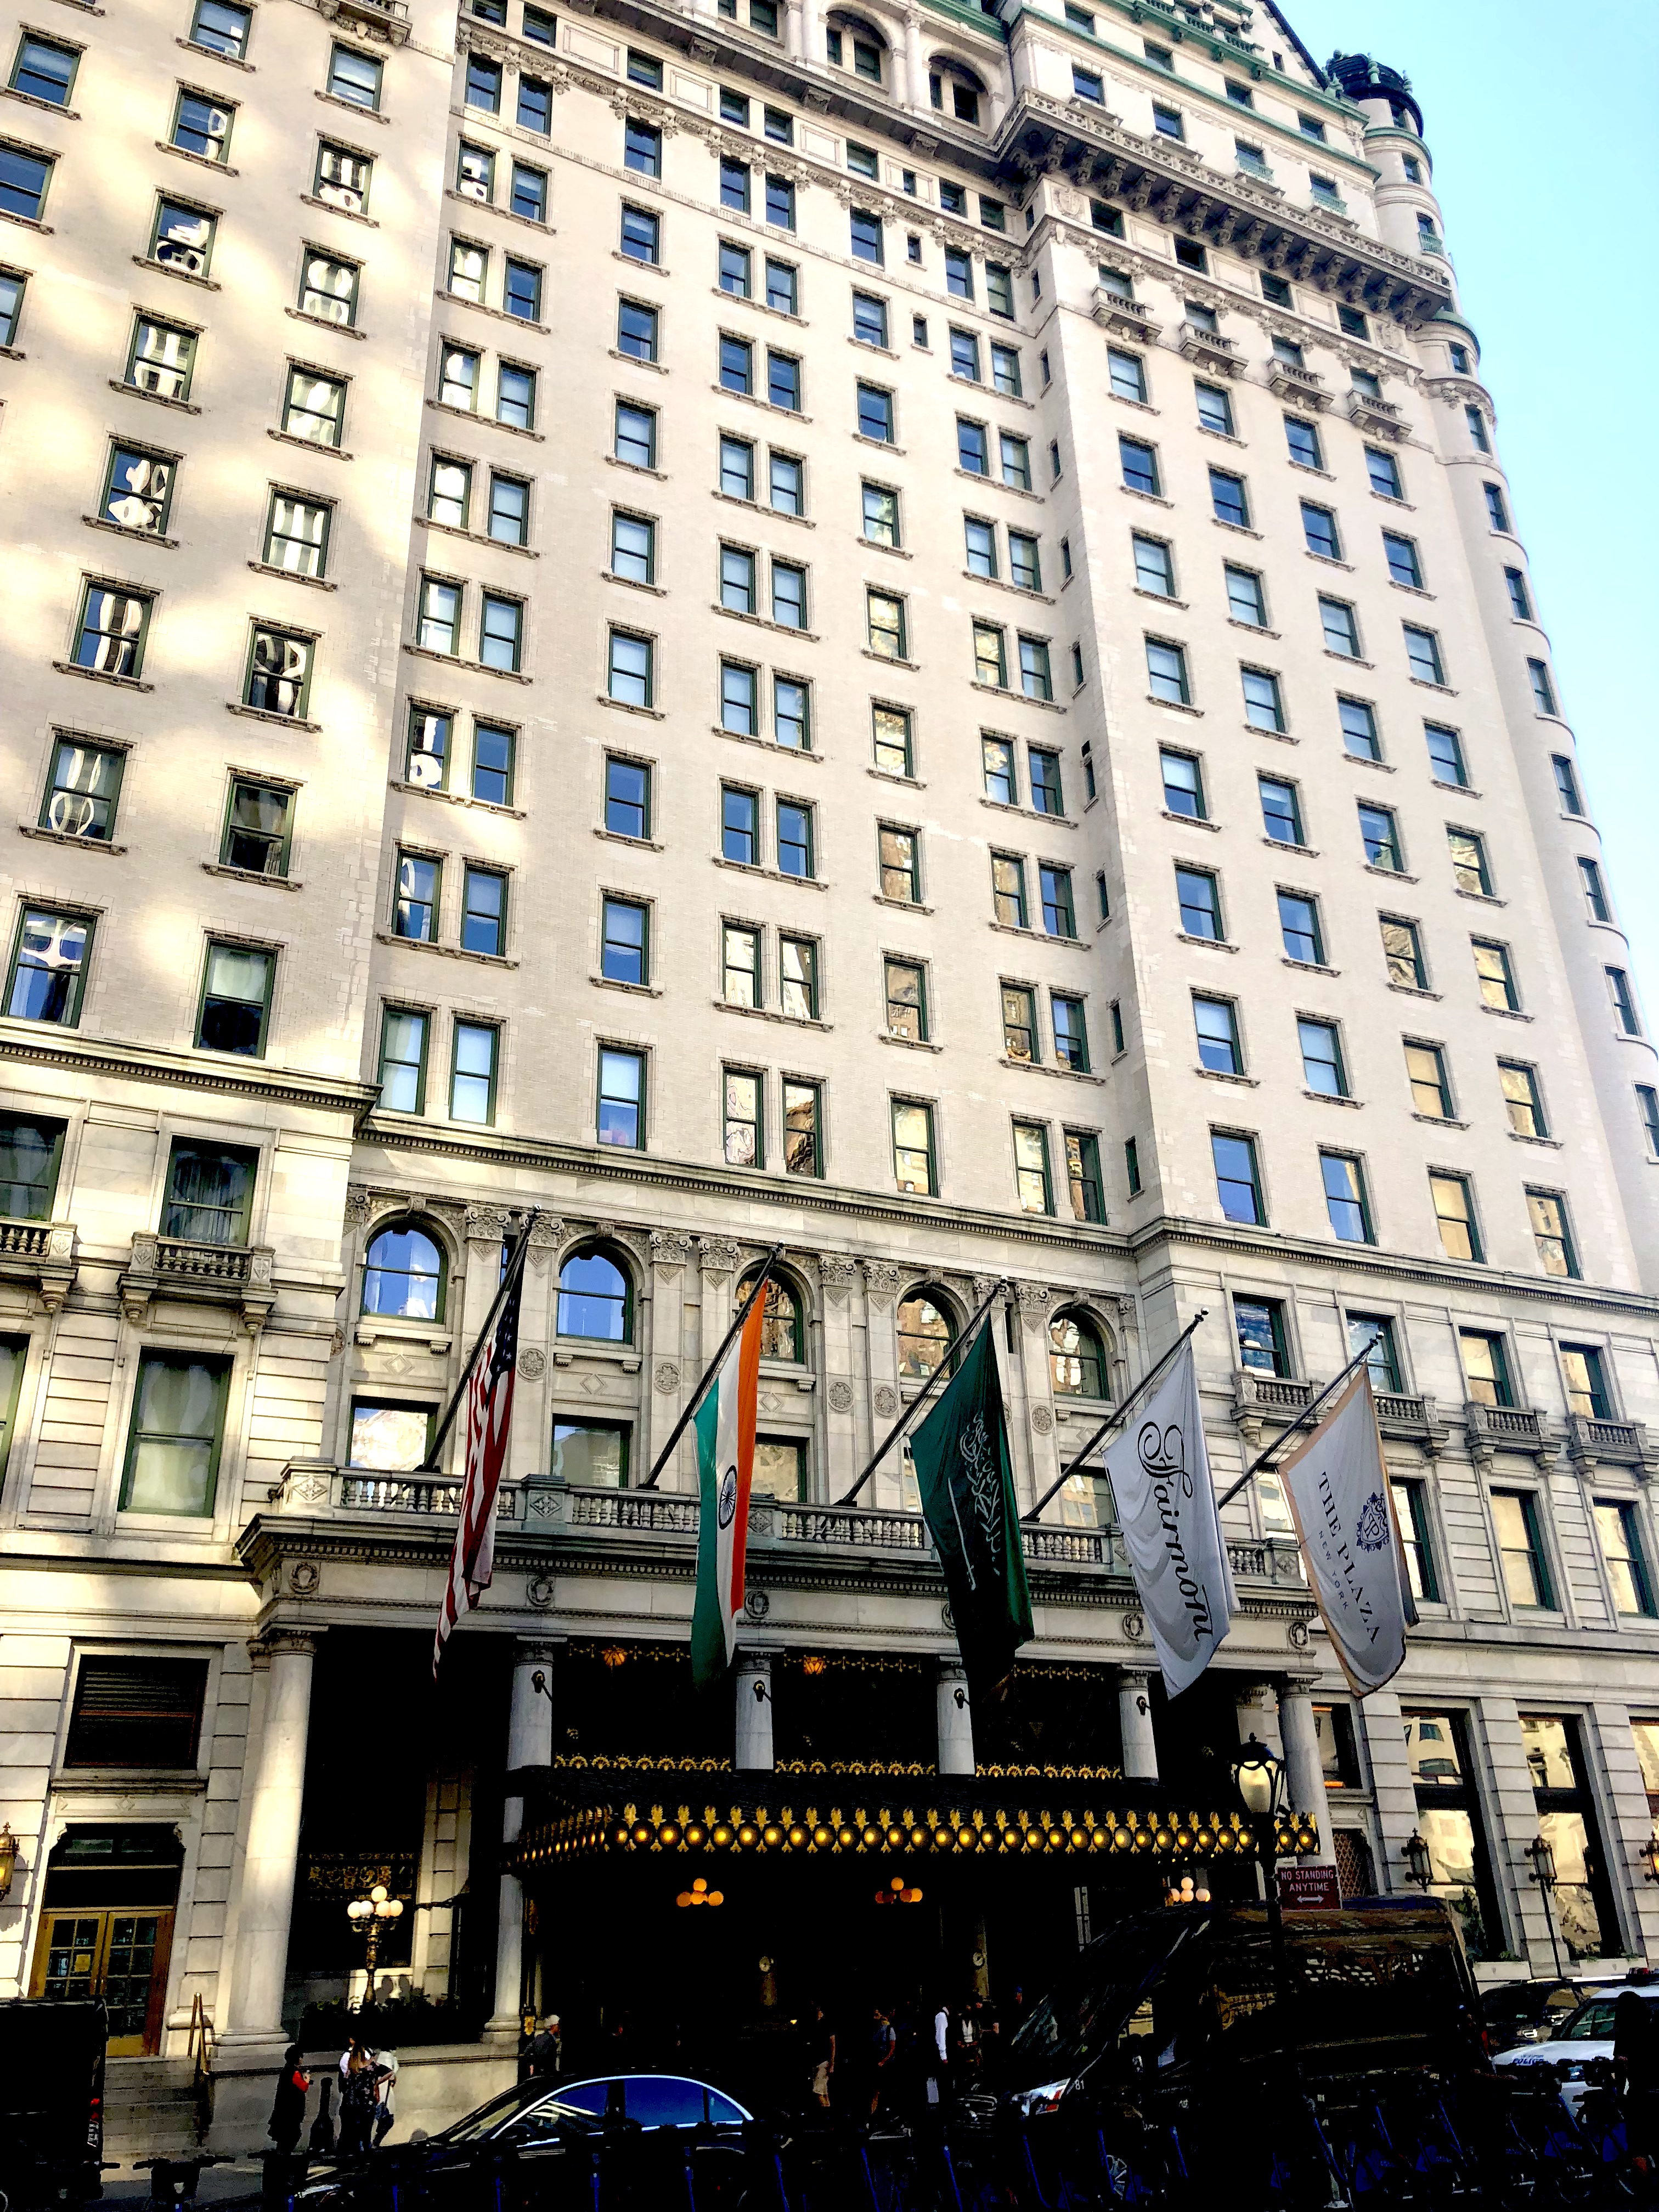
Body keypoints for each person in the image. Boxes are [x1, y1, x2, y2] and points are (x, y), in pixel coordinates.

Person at [1615, 1992, 1658, 2185]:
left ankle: (1642, 2177)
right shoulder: (1652, 2026)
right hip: (1655, 2091)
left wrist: (1618, 2094)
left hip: (1639, 2092)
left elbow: (1620, 2066)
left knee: (1637, 2141)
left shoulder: (1625, 2031)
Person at [337, 2039, 381, 2159]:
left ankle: (359, 2155)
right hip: (356, 2105)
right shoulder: (351, 2063)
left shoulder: (358, 2067)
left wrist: (375, 2088)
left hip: (359, 2104)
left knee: (361, 2133)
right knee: (354, 2132)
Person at [267, 2045, 310, 2153]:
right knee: (292, 2136)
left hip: (283, 2110)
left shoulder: (286, 2070)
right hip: (292, 2111)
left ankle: (280, 2156)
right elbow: (303, 2088)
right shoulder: (295, 2073)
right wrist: (307, 2080)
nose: (302, 2059)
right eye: (300, 2057)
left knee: (284, 2138)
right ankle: (283, 2157)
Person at [806, 2005, 834, 2111]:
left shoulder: (826, 2025)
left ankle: (825, 2114)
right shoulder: (814, 2025)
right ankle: (828, 2113)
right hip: (816, 2063)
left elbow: (833, 2045)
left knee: (818, 2091)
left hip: (823, 2062)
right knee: (823, 2092)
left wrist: (832, 2064)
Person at [371, 2046, 399, 2147]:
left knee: (385, 2120)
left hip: (383, 2094)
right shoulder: (387, 2057)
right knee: (386, 2120)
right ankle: (374, 2143)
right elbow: (390, 2074)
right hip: (382, 2096)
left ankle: (374, 2143)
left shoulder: (383, 2057)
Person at [307, 2074, 337, 2159]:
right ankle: (320, 2147)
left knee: (323, 2121)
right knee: (323, 2122)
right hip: (323, 2115)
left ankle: (318, 2147)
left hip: (323, 2115)